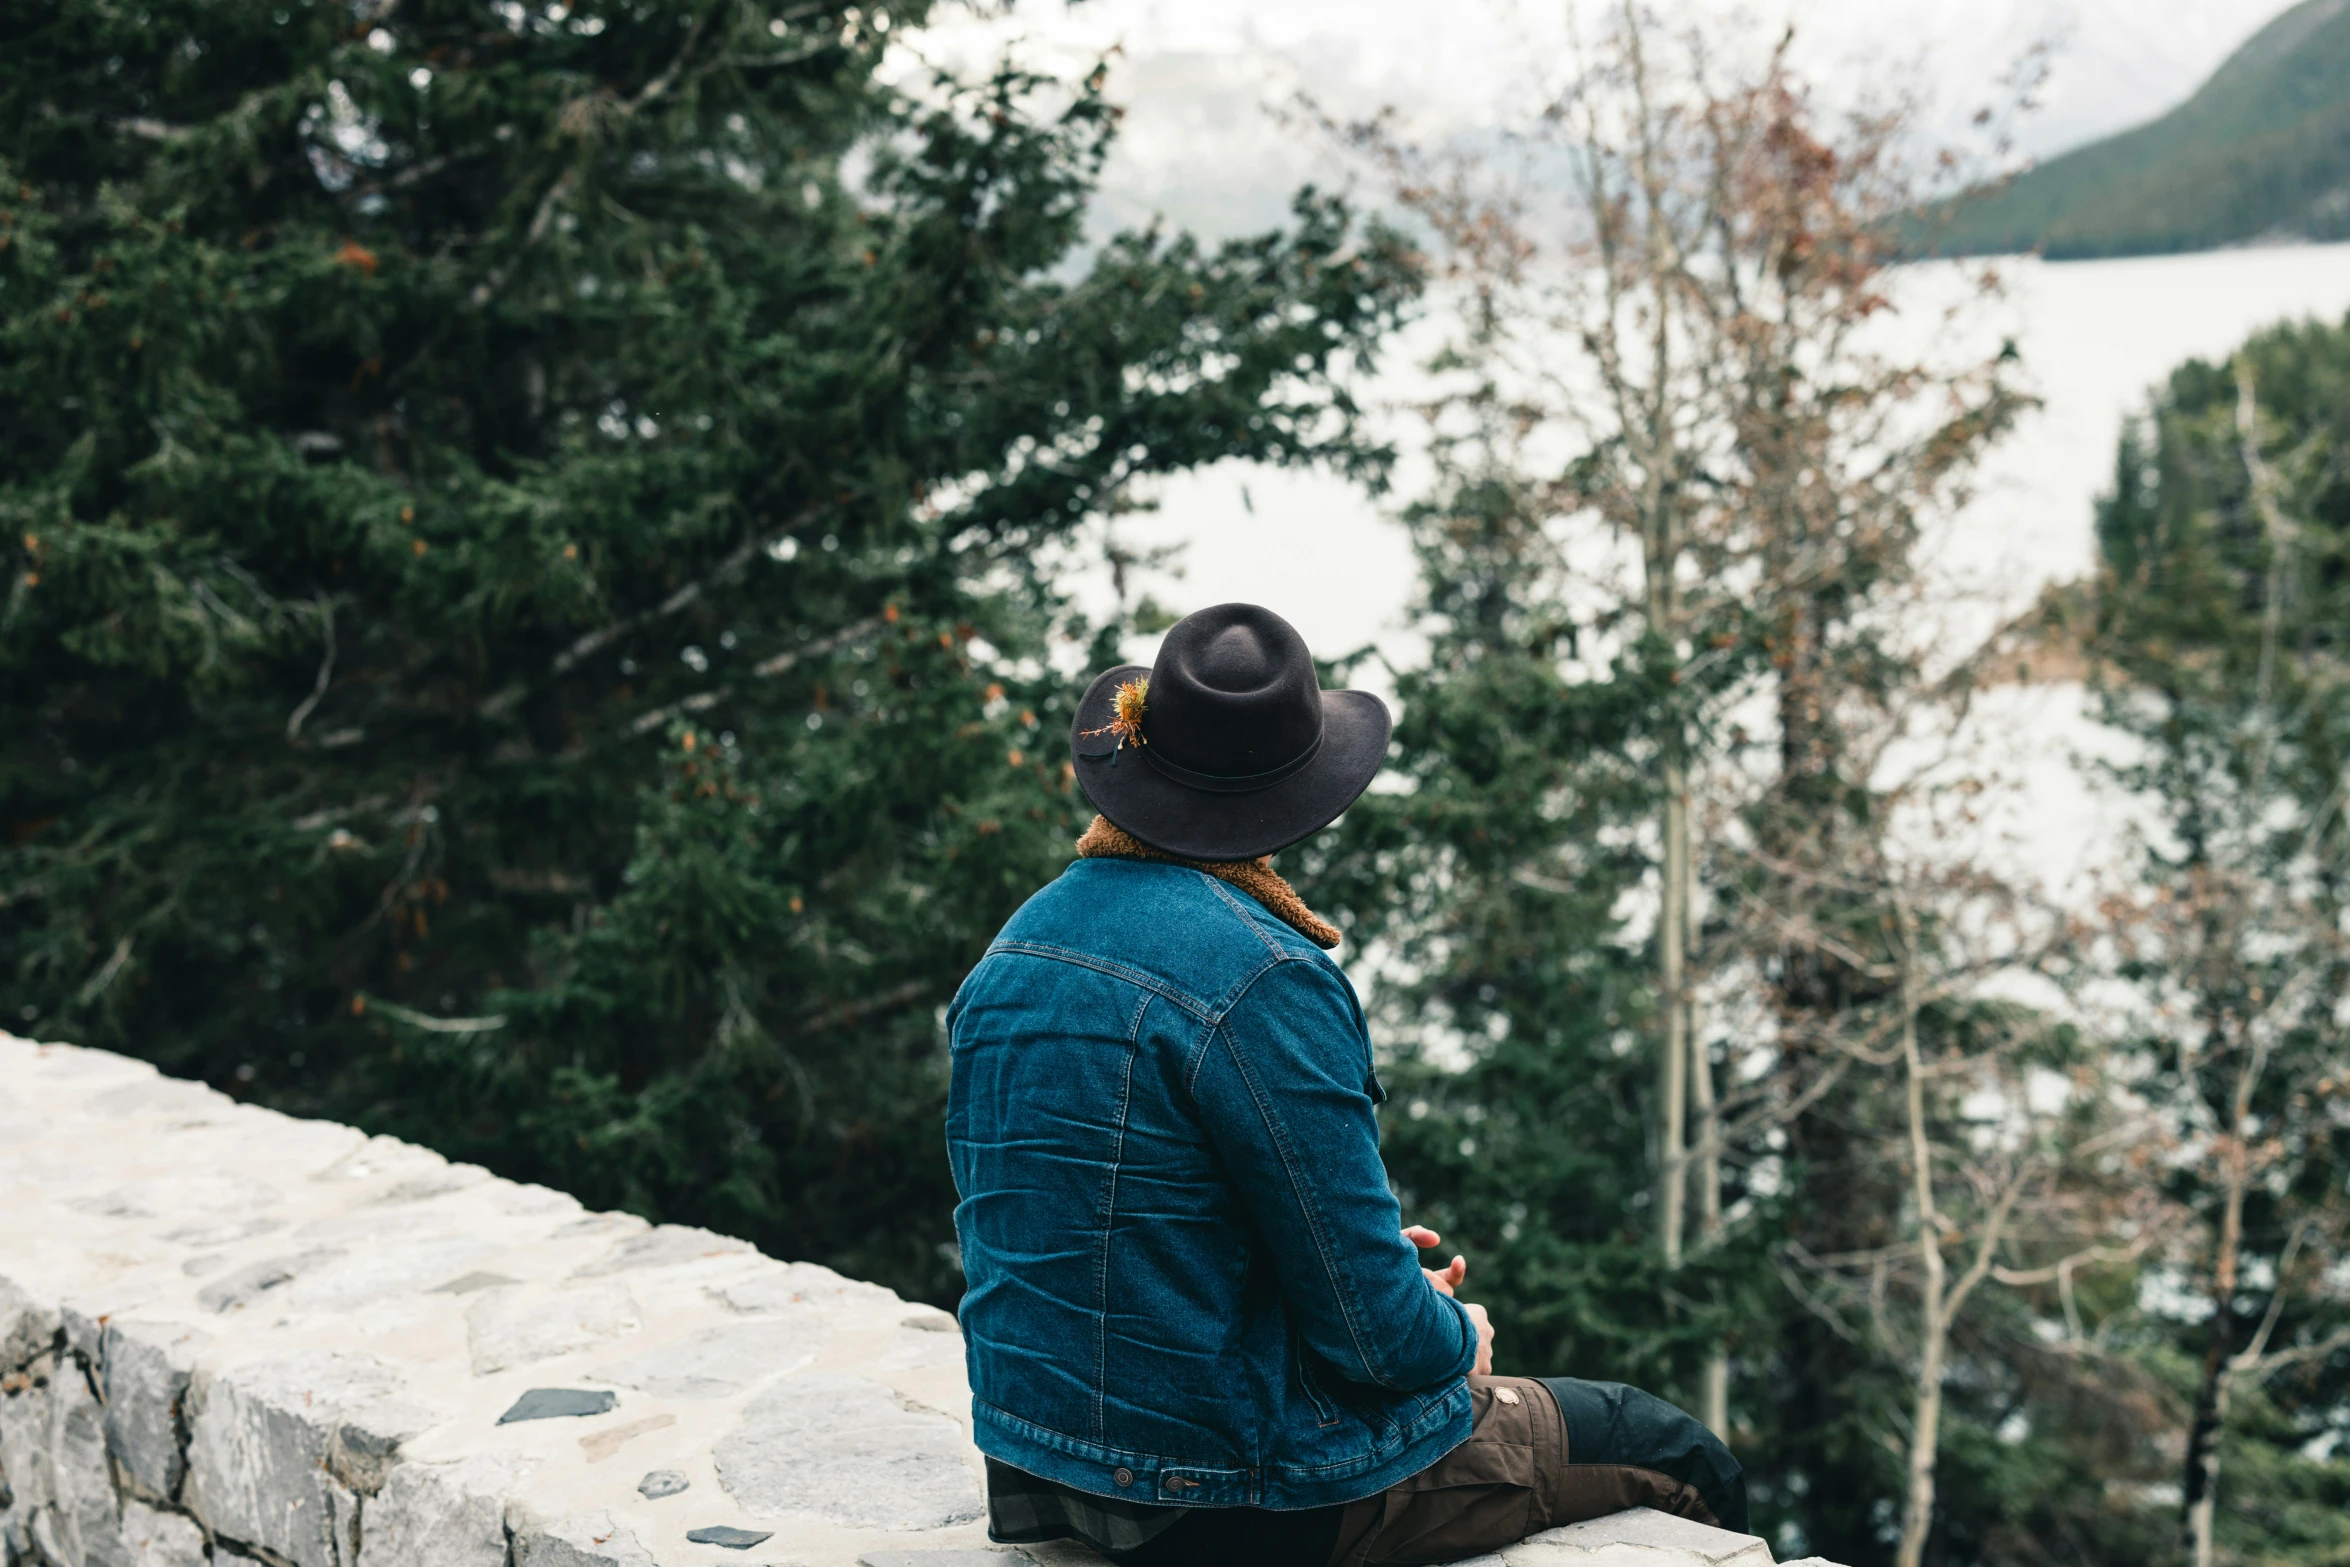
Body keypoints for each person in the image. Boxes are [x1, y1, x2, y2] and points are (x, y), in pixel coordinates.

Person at [945, 603, 1746, 1566]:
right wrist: (1455, 1333)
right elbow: (1381, 1346)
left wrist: (1349, 1250)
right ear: (1295, 795)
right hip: (1217, 1493)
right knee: (1672, 1450)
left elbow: (1105, 1217)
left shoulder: (1013, 949)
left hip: (1041, 1466)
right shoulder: (1265, 975)